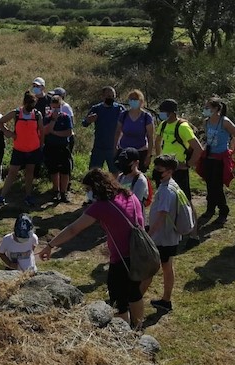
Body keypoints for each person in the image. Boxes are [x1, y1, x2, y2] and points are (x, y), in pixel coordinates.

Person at [37, 168, 145, 328]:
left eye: (88, 190)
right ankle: (138, 327)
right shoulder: (129, 195)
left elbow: (74, 229)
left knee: (119, 301)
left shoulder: (102, 206)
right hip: (140, 253)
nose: (89, 194)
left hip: (121, 259)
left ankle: (125, 336)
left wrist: (50, 245)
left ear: (96, 187)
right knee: (134, 293)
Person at [154, 99, 203, 245]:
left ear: (172, 112)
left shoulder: (182, 127)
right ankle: (170, 229)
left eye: (164, 112)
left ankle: (194, 235)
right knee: (164, 200)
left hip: (178, 171)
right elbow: (157, 141)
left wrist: (187, 165)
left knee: (185, 201)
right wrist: (159, 160)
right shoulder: (163, 125)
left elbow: (199, 149)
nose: (161, 114)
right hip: (163, 169)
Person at [141, 155, 183, 312]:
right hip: (169, 236)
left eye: (160, 169)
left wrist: (149, 234)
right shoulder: (171, 185)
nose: (156, 171)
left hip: (162, 238)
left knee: (150, 269)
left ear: (170, 171)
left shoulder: (166, 190)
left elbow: (162, 215)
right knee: (167, 266)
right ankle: (166, 300)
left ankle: (135, 301)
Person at [0, 91, 45, 208]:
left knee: (29, 172)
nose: (32, 107)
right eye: (30, 104)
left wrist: (41, 145)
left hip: (33, 149)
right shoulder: (16, 113)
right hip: (19, 149)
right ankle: (1, 197)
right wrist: (8, 132)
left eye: (33, 104)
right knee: (12, 173)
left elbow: (41, 131)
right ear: (25, 103)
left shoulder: (37, 115)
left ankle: (28, 196)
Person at [197, 97, 235, 225]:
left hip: (220, 158)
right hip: (209, 157)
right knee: (209, 185)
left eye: (208, 108)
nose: (205, 110)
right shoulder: (206, 122)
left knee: (217, 186)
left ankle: (223, 211)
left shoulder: (224, 121)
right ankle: (210, 209)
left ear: (216, 108)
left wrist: (234, 150)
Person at [82, 86, 125, 173]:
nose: (111, 98)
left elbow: (127, 124)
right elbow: (84, 123)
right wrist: (88, 120)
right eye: (108, 96)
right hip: (99, 147)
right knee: (94, 173)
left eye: (113, 96)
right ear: (102, 96)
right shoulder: (96, 109)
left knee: (116, 173)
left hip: (114, 147)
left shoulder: (119, 109)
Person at [42, 95, 74, 203]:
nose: (56, 110)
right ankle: (56, 191)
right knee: (54, 170)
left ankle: (63, 192)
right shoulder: (47, 118)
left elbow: (68, 132)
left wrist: (55, 133)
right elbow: (45, 131)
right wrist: (53, 120)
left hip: (63, 147)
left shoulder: (66, 117)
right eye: (54, 107)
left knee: (65, 170)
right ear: (51, 106)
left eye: (58, 107)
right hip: (51, 147)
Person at [115, 89, 154, 172]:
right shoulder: (124, 115)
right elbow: (118, 131)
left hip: (140, 152)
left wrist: (149, 155)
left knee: (138, 178)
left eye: (135, 99)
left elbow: (150, 137)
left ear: (141, 101)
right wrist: (115, 147)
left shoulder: (146, 117)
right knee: (123, 178)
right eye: (131, 99)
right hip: (124, 151)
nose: (133, 101)